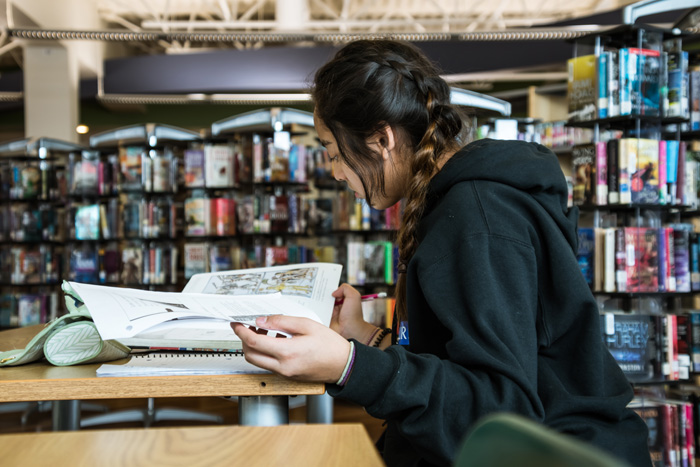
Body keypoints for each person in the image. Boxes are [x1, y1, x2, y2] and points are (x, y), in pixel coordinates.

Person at [231, 39, 653, 467]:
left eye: (336, 153)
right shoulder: (453, 206)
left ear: (382, 139)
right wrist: (367, 337)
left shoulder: (478, 220)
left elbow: (499, 412)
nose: (336, 173)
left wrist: (349, 365)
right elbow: (463, 358)